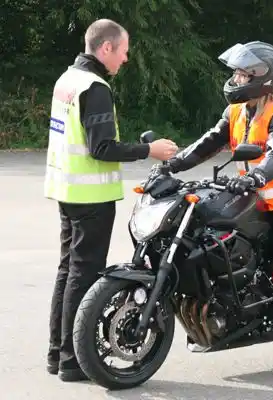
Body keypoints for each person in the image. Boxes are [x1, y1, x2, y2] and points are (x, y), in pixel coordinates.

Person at [152, 41, 273, 384]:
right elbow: (208, 143)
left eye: (244, 73)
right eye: (237, 72)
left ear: (263, 79)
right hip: (250, 200)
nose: (237, 78)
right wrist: (172, 166)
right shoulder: (236, 111)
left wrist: (256, 175)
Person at [44, 19, 178, 382]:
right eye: (123, 50)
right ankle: (74, 361)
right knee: (84, 275)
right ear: (106, 48)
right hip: (90, 196)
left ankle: (58, 354)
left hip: (65, 190)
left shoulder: (67, 80)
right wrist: (150, 149)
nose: (126, 57)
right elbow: (102, 147)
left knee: (67, 271)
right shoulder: (95, 86)